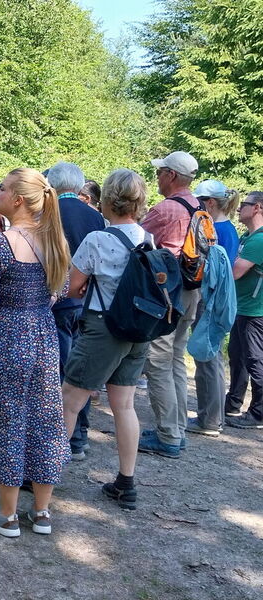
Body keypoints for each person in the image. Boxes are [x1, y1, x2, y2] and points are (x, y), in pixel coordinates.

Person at [0, 168, 70, 537]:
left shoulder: (0, 244)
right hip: (44, 336)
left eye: (2, 188)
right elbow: (60, 291)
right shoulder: (55, 242)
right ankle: (42, 513)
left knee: (7, 419)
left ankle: (7, 515)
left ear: (17, 199)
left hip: (6, 338)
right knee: (45, 421)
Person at [61, 169, 152, 510]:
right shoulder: (148, 237)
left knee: (70, 399)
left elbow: (72, 288)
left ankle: (44, 472)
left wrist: (87, 283)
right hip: (138, 329)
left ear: (107, 201)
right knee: (124, 406)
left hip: (103, 327)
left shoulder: (97, 240)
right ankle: (126, 482)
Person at [138, 150, 201, 458]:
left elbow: (137, 241)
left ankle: (168, 436)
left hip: (168, 295)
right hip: (192, 292)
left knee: (158, 361)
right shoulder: (198, 206)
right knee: (176, 358)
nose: (157, 177)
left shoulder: (166, 209)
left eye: (160, 172)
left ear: (171, 175)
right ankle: (178, 428)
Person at [47, 162, 105, 461]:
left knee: (57, 371)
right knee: (81, 371)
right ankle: (79, 437)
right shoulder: (95, 216)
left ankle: (57, 439)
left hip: (55, 300)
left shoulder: (48, 211)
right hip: (87, 301)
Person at [187, 179, 240, 436]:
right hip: (214, 301)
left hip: (210, 301)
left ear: (209, 203)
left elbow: (216, 273)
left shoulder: (217, 230)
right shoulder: (227, 229)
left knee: (207, 357)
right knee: (211, 357)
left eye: (199, 200)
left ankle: (209, 420)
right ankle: (211, 417)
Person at [224, 192, 263, 429]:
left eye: (245, 205)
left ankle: (258, 413)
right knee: (237, 357)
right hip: (243, 307)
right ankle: (233, 403)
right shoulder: (247, 237)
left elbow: (235, 272)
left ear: (257, 208)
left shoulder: (259, 240)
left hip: (256, 312)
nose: (239, 208)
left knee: (255, 360)